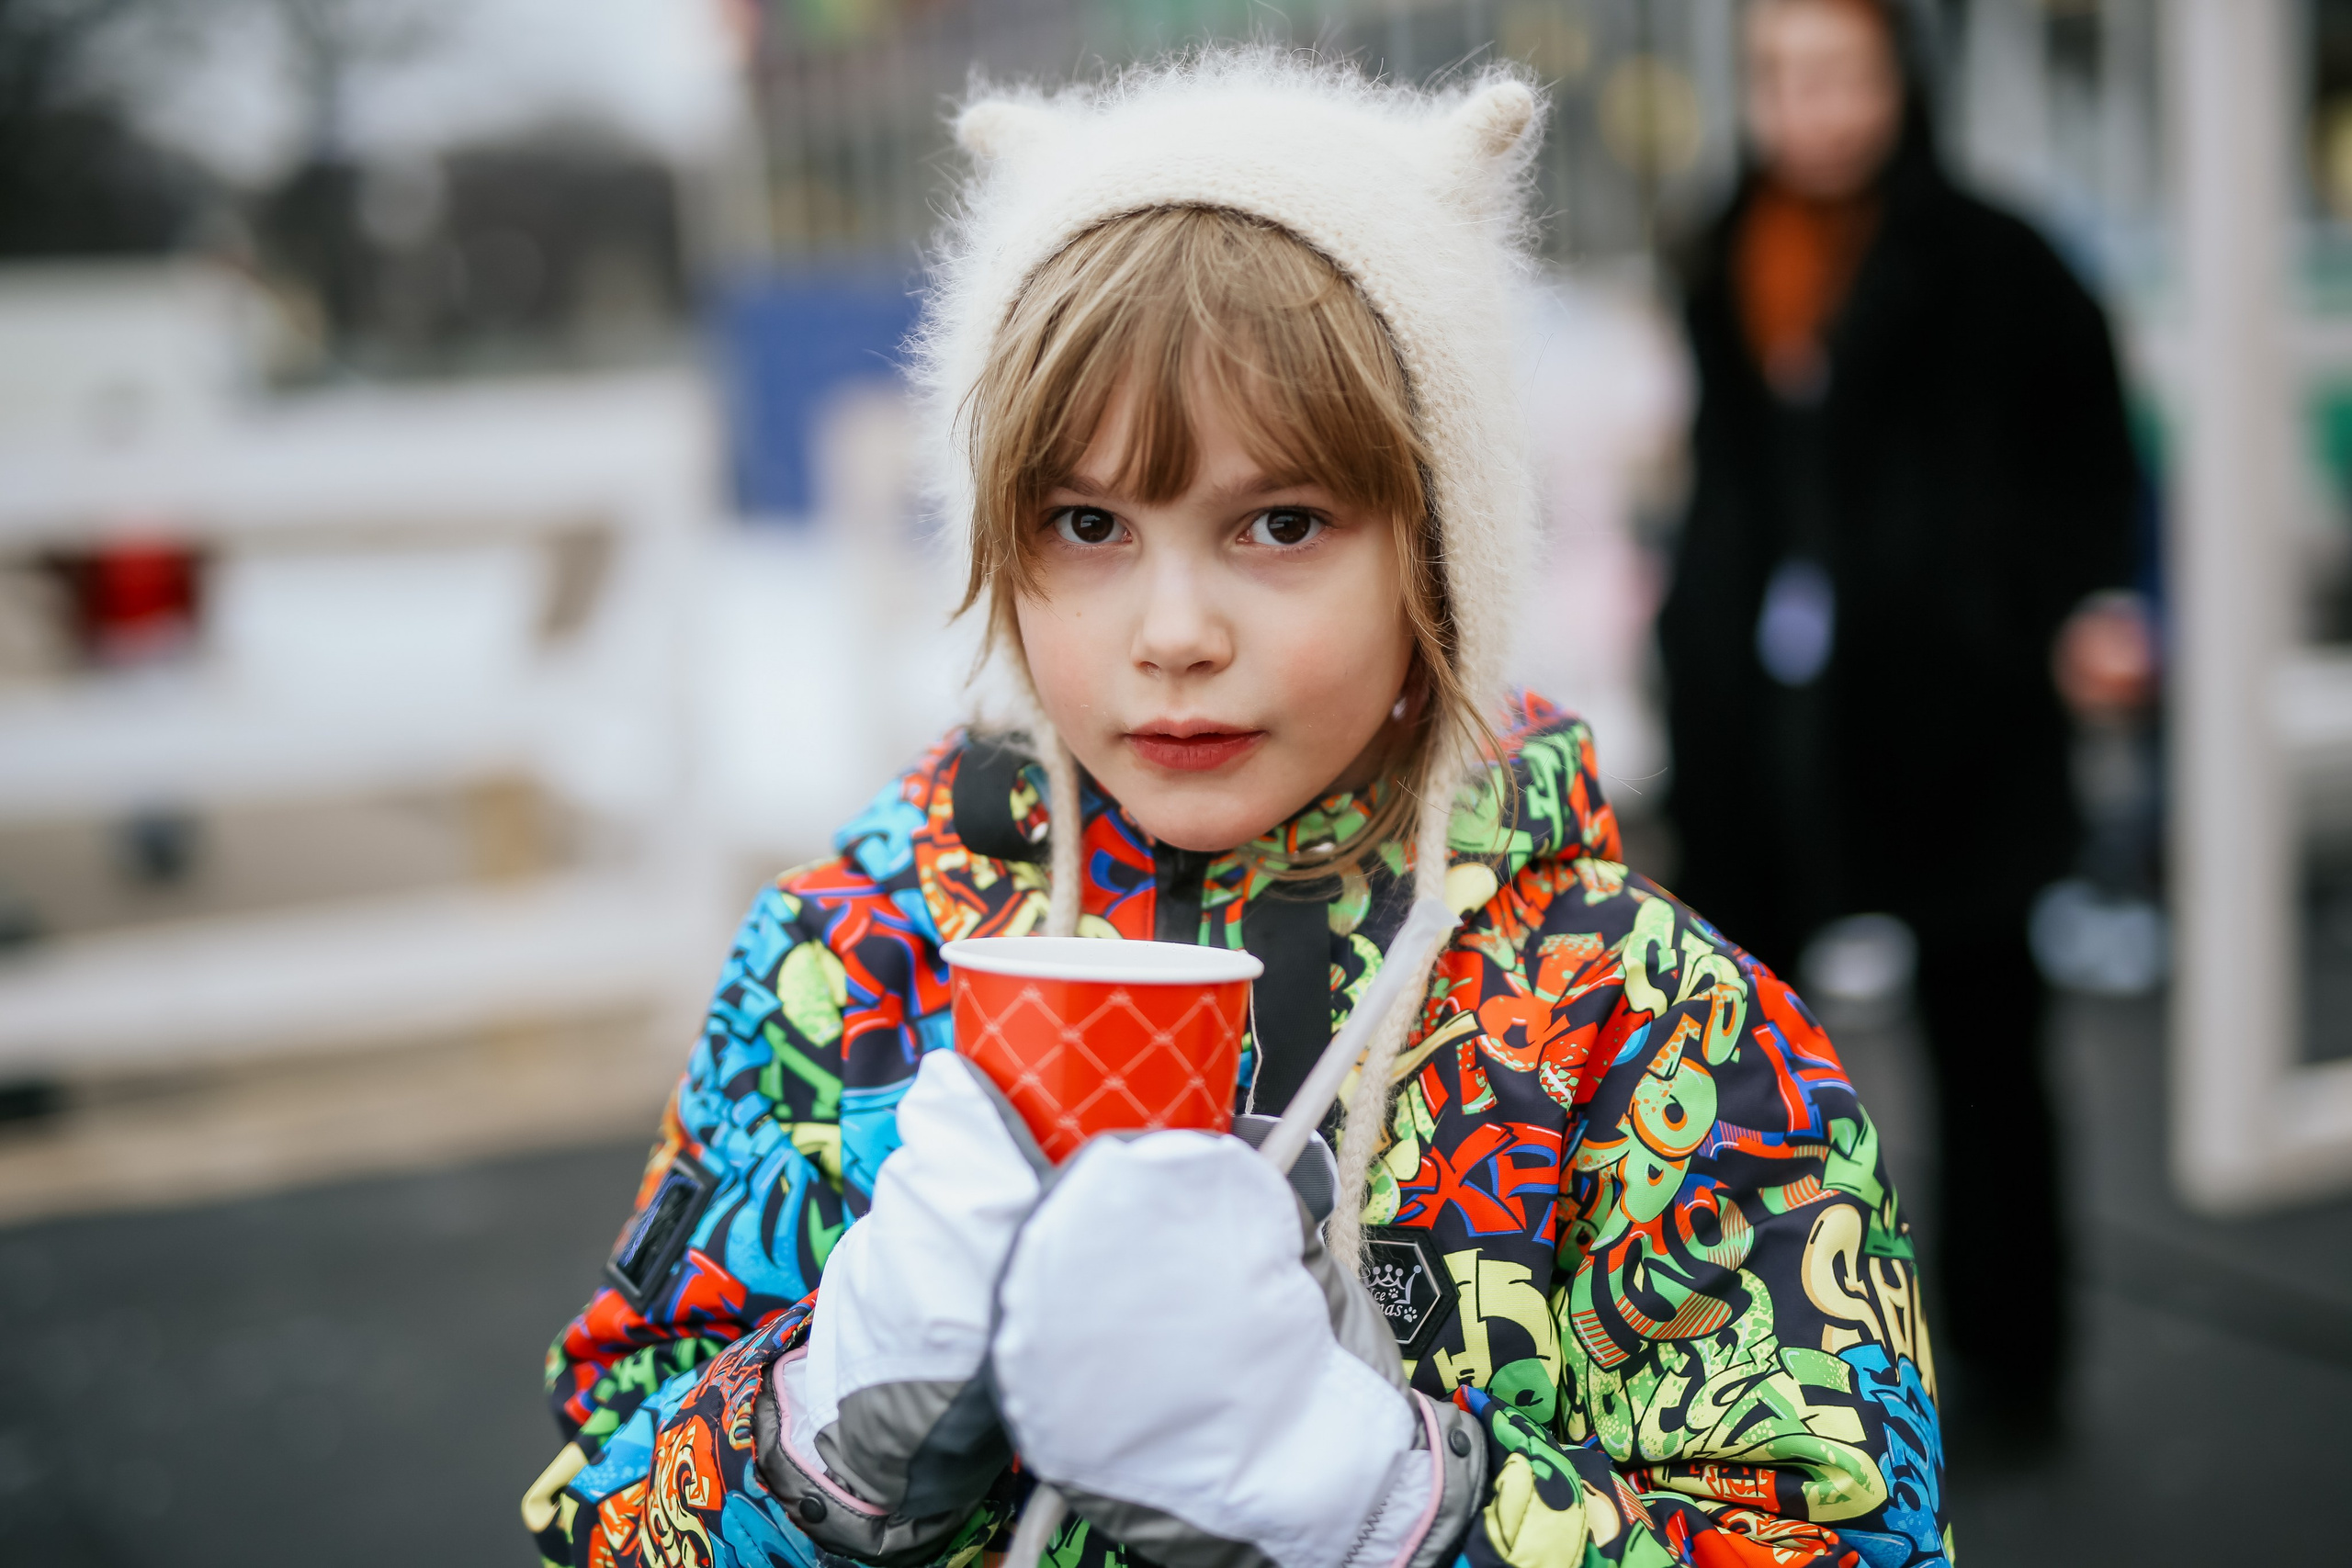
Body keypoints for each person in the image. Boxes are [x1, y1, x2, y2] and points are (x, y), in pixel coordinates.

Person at [524, 53, 1948, 1568]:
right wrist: (817, 1434)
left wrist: (1402, 1510)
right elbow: (597, 1502)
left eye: (1280, 523)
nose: (1175, 630)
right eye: (1086, 524)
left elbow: (1838, 1534)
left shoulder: (1652, 1031)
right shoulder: (844, 966)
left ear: (1441, 549)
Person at [1658, 0, 2150, 1445]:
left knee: (1986, 1039)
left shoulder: (2002, 258)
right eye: (1775, 74)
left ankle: (2012, 1367)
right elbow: (1731, 476)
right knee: (1738, 1044)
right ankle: (1756, 1365)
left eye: (1834, 72)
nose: (1802, 105)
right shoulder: (1720, 246)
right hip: (1762, 717)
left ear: (1896, 81)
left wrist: (2063, 605)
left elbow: (2092, 457)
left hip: (1962, 715)